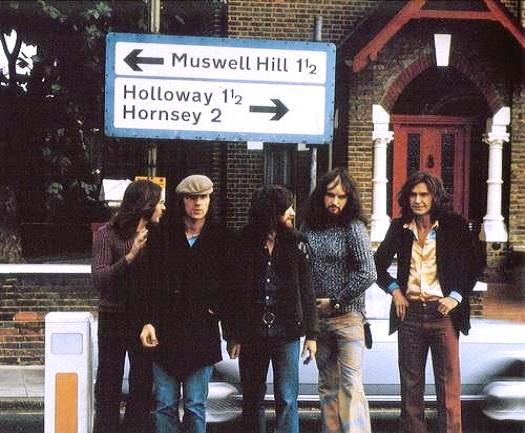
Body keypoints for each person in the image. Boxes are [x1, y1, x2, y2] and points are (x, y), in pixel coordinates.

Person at [374, 171, 483, 433]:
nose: (418, 200)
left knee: (448, 388)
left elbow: (475, 264)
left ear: (435, 197)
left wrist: (456, 296)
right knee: (410, 388)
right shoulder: (399, 227)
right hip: (409, 315)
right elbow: (376, 265)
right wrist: (395, 291)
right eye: (413, 194)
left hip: (442, 315)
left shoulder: (453, 225)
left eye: (424, 194)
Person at [140, 174, 235, 433]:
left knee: (195, 405)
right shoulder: (162, 236)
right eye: (192, 198)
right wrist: (148, 321)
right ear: (182, 201)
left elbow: (231, 286)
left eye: (203, 197)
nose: (198, 203)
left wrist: (228, 328)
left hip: (201, 332)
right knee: (164, 405)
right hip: (165, 331)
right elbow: (148, 282)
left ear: (210, 199)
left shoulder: (221, 238)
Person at [230, 185, 318, 433]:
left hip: (287, 331)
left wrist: (312, 334)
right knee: (252, 399)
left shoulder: (297, 242)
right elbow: (232, 293)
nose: (292, 213)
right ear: (271, 212)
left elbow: (307, 290)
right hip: (251, 332)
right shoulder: (241, 242)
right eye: (286, 208)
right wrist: (233, 334)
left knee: (288, 398)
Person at [302, 168, 376, 433]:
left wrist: (336, 300)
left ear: (349, 198)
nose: (335, 201)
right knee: (327, 387)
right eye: (330, 195)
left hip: (348, 318)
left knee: (350, 385)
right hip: (318, 321)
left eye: (341, 196)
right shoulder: (308, 228)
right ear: (321, 196)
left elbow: (368, 272)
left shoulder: (353, 227)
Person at [92, 179, 166, 433]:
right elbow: (100, 278)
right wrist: (131, 256)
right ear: (146, 205)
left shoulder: (160, 236)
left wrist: (153, 320)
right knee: (109, 382)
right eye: (160, 202)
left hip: (144, 319)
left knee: (143, 383)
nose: (163, 208)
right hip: (113, 315)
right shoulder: (107, 233)